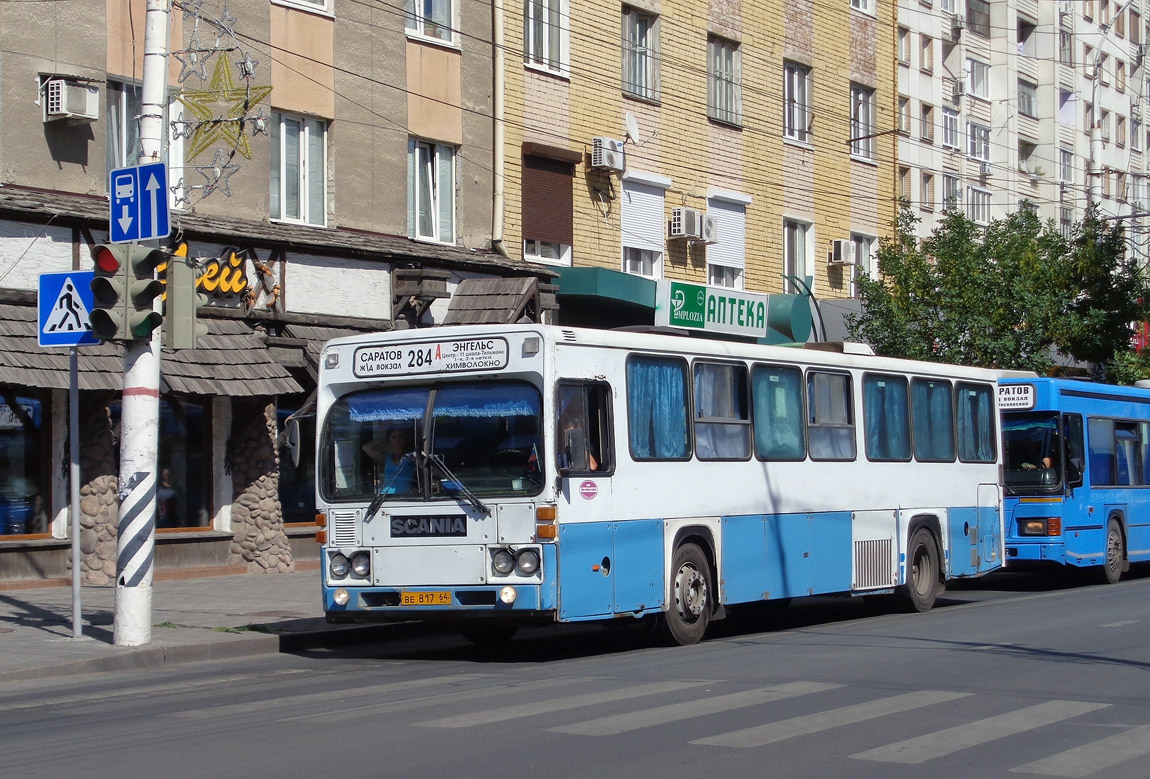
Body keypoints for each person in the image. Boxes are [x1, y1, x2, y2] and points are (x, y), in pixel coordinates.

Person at [364, 428, 415, 494]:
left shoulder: (411, 458)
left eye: (400, 438)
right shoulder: (387, 458)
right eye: (394, 438)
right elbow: (366, 447)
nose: (398, 442)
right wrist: (385, 439)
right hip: (385, 498)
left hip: (403, 499)